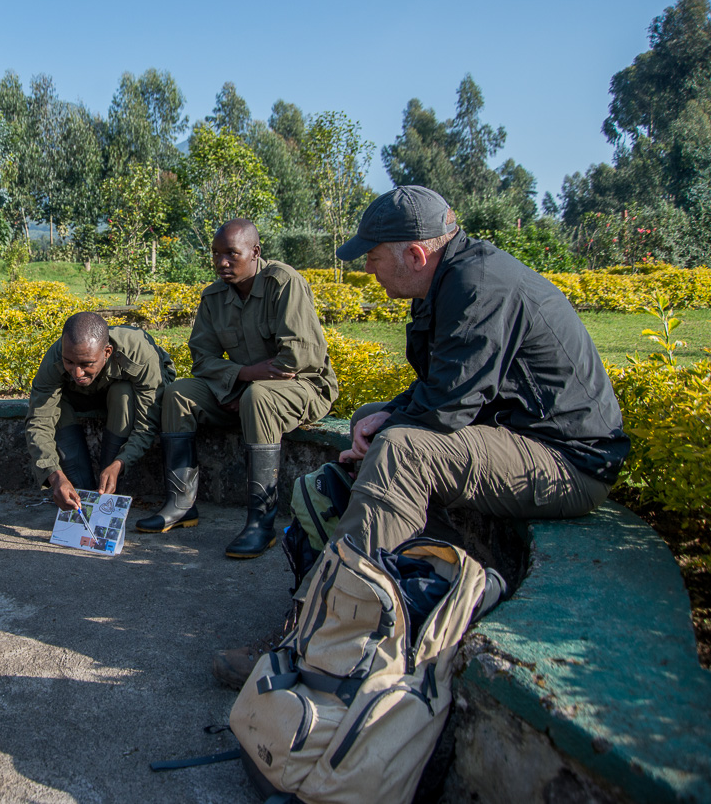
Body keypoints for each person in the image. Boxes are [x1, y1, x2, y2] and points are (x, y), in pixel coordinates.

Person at [212, 185, 630, 687]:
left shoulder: (478, 286)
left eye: (373, 256)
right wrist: (385, 413)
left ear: (414, 254)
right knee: (376, 419)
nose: (368, 269)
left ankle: (319, 636)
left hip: (567, 462)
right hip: (525, 438)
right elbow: (445, 383)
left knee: (401, 449)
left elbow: (449, 407)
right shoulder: (451, 277)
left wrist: (390, 427)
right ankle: (385, 586)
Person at [136, 219, 338, 559]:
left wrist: (245, 385)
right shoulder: (214, 296)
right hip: (243, 390)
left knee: (258, 397)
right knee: (179, 393)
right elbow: (202, 358)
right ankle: (181, 504)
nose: (222, 262)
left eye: (232, 254)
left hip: (304, 387)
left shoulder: (284, 283)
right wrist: (241, 377)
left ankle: (261, 522)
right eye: (216, 254)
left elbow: (296, 359)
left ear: (255, 252)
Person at [26, 311, 176, 511]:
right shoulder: (56, 356)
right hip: (80, 397)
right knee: (56, 404)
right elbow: (39, 421)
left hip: (120, 397)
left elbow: (146, 425)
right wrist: (54, 476)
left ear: (107, 352)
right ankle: (80, 494)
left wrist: (119, 463)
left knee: (122, 392)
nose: (77, 373)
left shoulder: (140, 353)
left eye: (86, 364)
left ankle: (107, 492)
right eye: (69, 362)